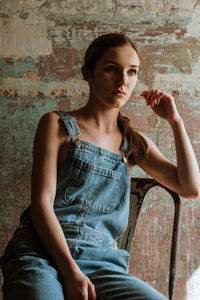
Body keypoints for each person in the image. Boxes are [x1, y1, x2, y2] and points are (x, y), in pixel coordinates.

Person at [1, 33, 200, 300]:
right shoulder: (56, 125)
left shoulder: (134, 142)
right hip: (41, 252)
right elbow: (41, 206)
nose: (122, 81)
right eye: (111, 69)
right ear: (87, 73)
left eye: (132, 72)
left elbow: (190, 188)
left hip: (103, 263)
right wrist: (71, 271)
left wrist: (175, 121)